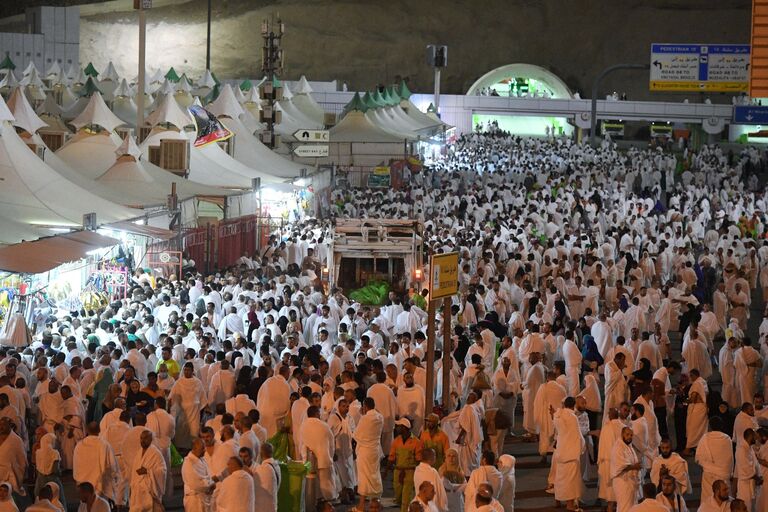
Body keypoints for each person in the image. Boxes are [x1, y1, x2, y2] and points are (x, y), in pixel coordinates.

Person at [72, 422, 119, 505]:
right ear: (99, 430)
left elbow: (76, 466)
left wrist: (79, 480)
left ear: (87, 430)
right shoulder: (104, 445)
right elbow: (112, 466)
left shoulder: (79, 445)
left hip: (83, 485)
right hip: (100, 485)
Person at [298, 405, 338, 501]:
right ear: (316, 413)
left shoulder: (303, 426)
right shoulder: (324, 426)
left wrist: (304, 458)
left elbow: (301, 443)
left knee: (311, 485)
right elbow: (331, 444)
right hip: (324, 459)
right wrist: (330, 456)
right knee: (327, 484)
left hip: (308, 461)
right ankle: (328, 504)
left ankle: (314, 502)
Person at [553, 396, 585, 511]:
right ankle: (569, 504)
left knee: (560, 477)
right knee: (570, 480)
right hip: (571, 453)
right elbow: (577, 435)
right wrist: (582, 446)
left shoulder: (557, 415)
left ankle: (558, 500)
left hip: (561, 451)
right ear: (574, 404)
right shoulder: (572, 417)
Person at [353, 397, 384, 511]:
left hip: (365, 452)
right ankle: (375, 502)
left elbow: (356, 435)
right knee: (375, 474)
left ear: (365, 406)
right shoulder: (380, 417)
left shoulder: (365, 419)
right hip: (375, 450)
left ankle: (361, 505)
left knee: (364, 477)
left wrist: (362, 417)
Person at [168, 363, 207, 450]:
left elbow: (202, 397)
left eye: (188, 370)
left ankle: (193, 449)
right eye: (185, 370)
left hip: (194, 411)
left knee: (194, 431)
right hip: (182, 412)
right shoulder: (179, 382)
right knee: (181, 431)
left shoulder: (197, 382)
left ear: (192, 371)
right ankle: (181, 449)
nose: (186, 372)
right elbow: (172, 396)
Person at [696, 417, 735, 502]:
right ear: (722, 426)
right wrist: (730, 473)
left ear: (709, 426)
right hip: (723, 475)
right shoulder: (727, 439)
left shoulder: (705, 438)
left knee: (708, 500)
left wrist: (706, 467)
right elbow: (730, 459)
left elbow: (698, 458)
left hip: (708, 475)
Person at [389, 417, 423, 512]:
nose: (396, 428)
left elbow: (419, 460)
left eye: (398, 426)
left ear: (404, 428)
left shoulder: (416, 442)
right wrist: (386, 472)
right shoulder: (396, 441)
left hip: (410, 472)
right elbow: (391, 457)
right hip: (398, 471)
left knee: (406, 498)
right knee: (398, 495)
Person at [128, 430, 167, 512]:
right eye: (141, 438)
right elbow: (134, 472)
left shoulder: (156, 453)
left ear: (151, 439)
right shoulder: (138, 453)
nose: (142, 440)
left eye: (145, 438)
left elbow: (162, 471)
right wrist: (131, 488)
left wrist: (148, 471)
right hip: (137, 491)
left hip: (149, 490)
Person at [611, 427, 641, 512]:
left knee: (632, 507)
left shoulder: (629, 447)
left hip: (630, 483)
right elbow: (620, 465)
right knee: (624, 507)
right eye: (627, 434)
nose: (629, 437)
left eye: (631, 435)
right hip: (622, 482)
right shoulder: (618, 447)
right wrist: (635, 467)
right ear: (622, 434)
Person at [181, 438, 215, 512]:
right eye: (202, 448)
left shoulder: (202, 459)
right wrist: (210, 485)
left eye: (204, 447)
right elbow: (195, 483)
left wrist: (210, 483)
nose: (205, 450)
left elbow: (208, 475)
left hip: (204, 497)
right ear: (194, 448)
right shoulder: (188, 462)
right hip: (194, 500)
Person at [734, 428, 762, 511]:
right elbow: (746, 468)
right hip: (745, 486)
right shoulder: (741, 449)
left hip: (752, 484)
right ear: (750, 436)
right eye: (754, 436)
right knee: (746, 507)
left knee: (752, 508)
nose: (756, 439)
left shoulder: (749, 447)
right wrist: (758, 478)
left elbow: (755, 463)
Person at [253, 443, 280, 511]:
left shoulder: (264, 468)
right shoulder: (277, 465)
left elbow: (255, 485)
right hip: (273, 502)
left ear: (261, 453)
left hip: (265, 506)